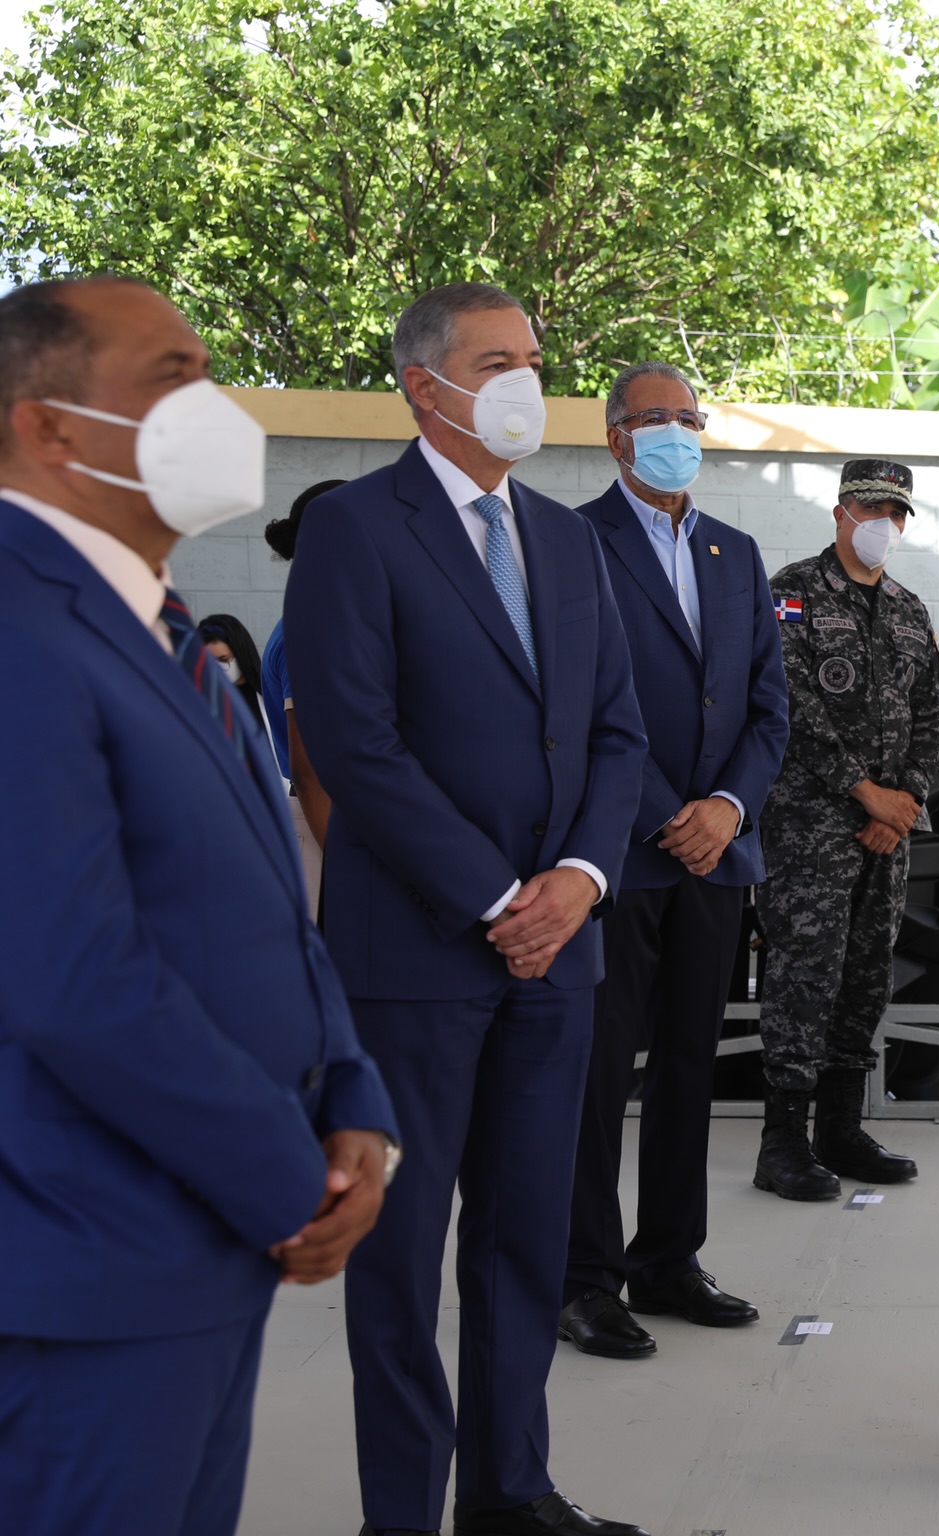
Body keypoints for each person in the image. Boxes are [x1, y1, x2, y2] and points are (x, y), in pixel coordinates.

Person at [0, 276, 398, 1536]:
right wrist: (288, 1178)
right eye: (174, 376)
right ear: (47, 426)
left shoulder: (162, 627)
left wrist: (352, 1102)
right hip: (87, 1268)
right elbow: (74, 979)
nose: (215, 407)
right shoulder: (19, 628)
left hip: (197, 1255)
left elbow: (268, 900)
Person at [286, 282, 650, 1536]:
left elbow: (617, 733)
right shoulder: (355, 529)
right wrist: (499, 896)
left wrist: (579, 880)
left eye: (533, 360)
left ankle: (511, 1491)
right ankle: (403, 1514)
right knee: (399, 1260)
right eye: (497, 362)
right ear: (423, 384)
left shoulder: (566, 539)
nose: (525, 384)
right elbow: (355, 742)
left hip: (559, 960)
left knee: (526, 1237)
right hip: (416, 957)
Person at [561, 363, 790, 1358]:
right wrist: (668, 814)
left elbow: (768, 704)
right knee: (598, 1073)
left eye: (691, 418)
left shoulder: (735, 551)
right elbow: (577, 701)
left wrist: (727, 809)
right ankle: (584, 1278)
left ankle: (668, 1259)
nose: (678, 433)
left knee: (692, 1067)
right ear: (616, 436)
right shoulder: (572, 541)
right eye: (657, 418)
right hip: (620, 854)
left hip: (716, 857)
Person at [750, 457, 939, 1200]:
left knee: (867, 977)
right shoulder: (792, 593)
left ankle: (839, 1128)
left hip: (885, 835)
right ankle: (782, 1143)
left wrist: (904, 802)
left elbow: (934, 709)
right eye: (871, 508)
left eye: (895, 513)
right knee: (804, 976)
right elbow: (787, 702)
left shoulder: (907, 608)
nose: (883, 523)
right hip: (811, 830)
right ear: (840, 511)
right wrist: (864, 793)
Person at [261, 478, 349, 914]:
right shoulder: (314, 627)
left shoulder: (331, 618)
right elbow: (311, 771)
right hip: (327, 826)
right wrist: (350, 871)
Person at [196, 612, 268, 741]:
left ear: (240, 655)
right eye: (209, 661)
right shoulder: (202, 701)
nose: (216, 668)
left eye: (223, 660)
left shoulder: (269, 697)